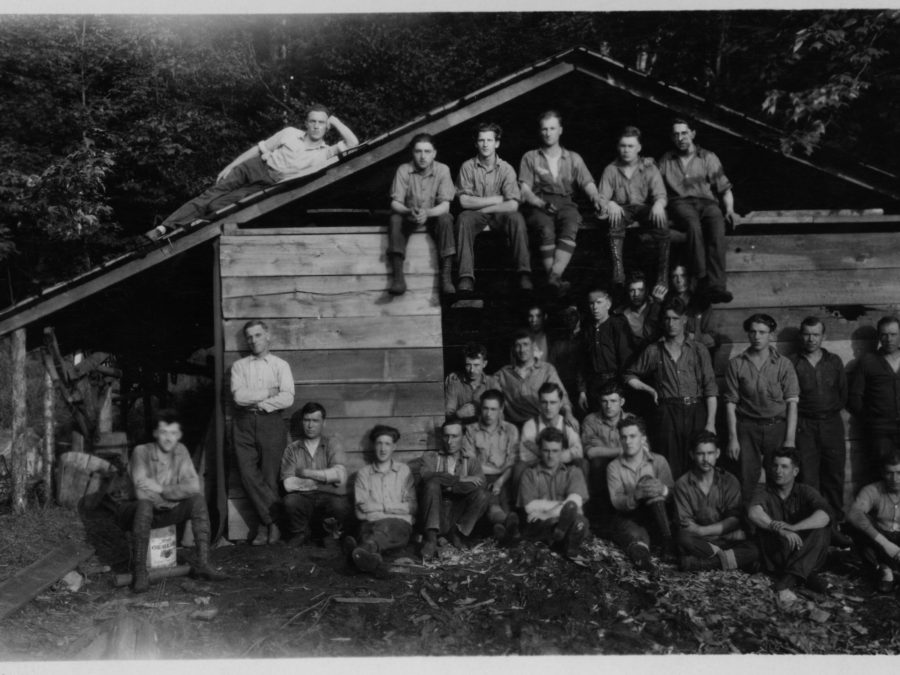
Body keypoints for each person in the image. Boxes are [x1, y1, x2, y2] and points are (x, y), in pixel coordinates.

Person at [160, 105, 358, 230]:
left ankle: (190, 226)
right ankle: (164, 227)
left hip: (268, 184)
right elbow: (258, 149)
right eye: (312, 121)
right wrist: (232, 165)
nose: (316, 126)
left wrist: (335, 120)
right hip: (255, 167)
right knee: (211, 193)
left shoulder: (326, 152)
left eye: (321, 123)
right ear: (306, 123)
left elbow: (353, 143)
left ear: (327, 127)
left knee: (216, 206)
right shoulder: (289, 132)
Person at [120, 410, 228, 593]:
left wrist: (162, 490)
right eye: (164, 432)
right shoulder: (141, 452)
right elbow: (141, 493)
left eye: (173, 433)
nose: (168, 438)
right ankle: (140, 571)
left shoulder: (181, 451)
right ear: (155, 433)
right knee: (145, 505)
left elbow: (193, 486)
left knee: (197, 501)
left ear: (179, 435)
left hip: (165, 509)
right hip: (132, 512)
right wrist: (174, 494)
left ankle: (203, 563)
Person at [624, 296, 718, 480]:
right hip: (667, 412)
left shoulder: (699, 350)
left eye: (675, 319)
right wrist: (649, 389)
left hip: (695, 410)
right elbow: (629, 375)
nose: (671, 323)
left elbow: (711, 389)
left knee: (698, 461)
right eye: (667, 319)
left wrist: (711, 422)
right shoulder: (653, 350)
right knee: (669, 463)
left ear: (684, 320)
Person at [518, 110, 603, 294]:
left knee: (571, 223)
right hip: (539, 203)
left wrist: (596, 197)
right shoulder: (530, 157)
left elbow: (587, 182)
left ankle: (553, 277)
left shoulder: (573, 158)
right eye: (544, 129)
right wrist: (541, 204)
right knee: (545, 229)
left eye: (552, 128)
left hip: (565, 202)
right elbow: (524, 190)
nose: (548, 133)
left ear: (560, 130)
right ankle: (555, 281)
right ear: (540, 132)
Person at [658, 118, 738, 304]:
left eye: (684, 133)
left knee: (717, 227)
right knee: (692, 225)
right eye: (676, 134)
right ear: (672, 137)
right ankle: (701, 277)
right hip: (680, 203)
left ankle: (717, 286)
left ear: (692, 133)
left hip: (707, 203)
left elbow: (724, 189)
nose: (680, 138)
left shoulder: (708, 157)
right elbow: (655, 187)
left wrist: (730, 210)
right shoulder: (666, 160)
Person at [230, 320, 295, 545]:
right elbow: (239, 397)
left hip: (271, 422)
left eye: (258, 335)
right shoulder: (239, 367)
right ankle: (273, 521)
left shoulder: (280, 365)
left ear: (268, 336)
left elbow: (287, 396)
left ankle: (263, 527)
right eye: (249, 337)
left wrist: (262, 403)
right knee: (248, 474)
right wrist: (269, 392)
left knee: (269, 475)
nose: (253, 340)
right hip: (243, 423)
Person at [789, 316, 851, 546]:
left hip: (831, 424)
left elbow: (843, 394)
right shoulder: (793, 362)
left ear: (823, 336)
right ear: (800, 335)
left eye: (816, 334)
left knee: (834, 475)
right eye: (807, 334)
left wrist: (828, 413)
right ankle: (814, 529)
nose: (811, 339)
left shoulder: (834, 361)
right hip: (805, 425)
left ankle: (834, 524)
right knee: (808, 477)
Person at [724, 313, 799, 501]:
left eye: (762, 332)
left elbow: (792, 402)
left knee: (779, 476)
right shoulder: (736, 364)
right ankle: (752, 525)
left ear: (771, 335)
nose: (757, 336)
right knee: (747, 477)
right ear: (748, 334)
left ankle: (778, 522)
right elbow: (730, 403)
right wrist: (733, 438)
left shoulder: (783, 364)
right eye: (753, 332)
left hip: (776, 428)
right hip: (747, 428)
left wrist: (789, 439)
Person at [455, 122, 533, 293]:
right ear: (476, 143)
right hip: (475, 216)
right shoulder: (467, 167)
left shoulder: (506, 169)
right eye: (481, 140)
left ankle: (524, 273)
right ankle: (466, 277)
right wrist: (497, 199)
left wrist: (485, 207)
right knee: (463, 219)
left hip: (499, 215)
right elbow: (464, 202)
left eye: (489, 140)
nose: (485, 144)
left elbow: (512, 204)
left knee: (517, 218)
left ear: (496, 143)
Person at [747, 448, 831, 593]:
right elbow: (753, 512)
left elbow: (824, 515)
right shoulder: (764, 491)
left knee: (821, 530)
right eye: (775, 466)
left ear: (795, 471)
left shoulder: (805, 491)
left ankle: (790, 577)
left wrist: (794, 527)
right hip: (778, 552)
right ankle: (802, 575)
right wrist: (780, 529)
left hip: (802, 548)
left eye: (784, 466)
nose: (778, 471)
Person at [674, 431, 759, 572]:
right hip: (703, 542)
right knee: (683, 538)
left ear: (717, 454)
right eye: (700, 454)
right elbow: (687, 526)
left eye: (710, 453)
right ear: (692, 455)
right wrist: (705, 533)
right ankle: (733, 560)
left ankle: (704, 564)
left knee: (754, 548)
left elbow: (734, 520)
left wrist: (701, 530)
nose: (706, 459)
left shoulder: (729, 480)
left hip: (727, 539)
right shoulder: (682, 484)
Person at [597, 126, 670, 287]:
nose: (626, 150)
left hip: (644, 207)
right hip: (623, 208)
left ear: (639, 148)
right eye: (623, 146)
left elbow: (660, 194)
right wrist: (610, 203)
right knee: (614, 222)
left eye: (631, 146)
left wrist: (659, 204)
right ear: (618, 147)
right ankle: (618, 274)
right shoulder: (611, 169)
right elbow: (601, 197)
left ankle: (663, 277)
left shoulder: (649, 167)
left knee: (662, 223)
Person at [387, 133, 457, 296]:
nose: (423, 156)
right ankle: (398, 278)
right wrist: (407, 210)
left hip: (433, 217)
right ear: (413, 153)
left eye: (427, 151)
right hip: (410, 215)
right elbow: (395, 202)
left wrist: (428, 213)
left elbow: (445, 205)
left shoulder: (443, 170)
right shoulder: (404, 170)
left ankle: (446, 278)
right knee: (395, 218)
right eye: (418, 151)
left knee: (446, 219)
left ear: (434, 153)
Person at [607, 416, 676, 572]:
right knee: (635, 539)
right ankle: (646, 566)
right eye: (624, 437)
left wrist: (662, 490)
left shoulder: (659, 461)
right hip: (630, 516)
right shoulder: (614, 466)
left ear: (643, 438)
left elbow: (673, 494)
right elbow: (616, 501)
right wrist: (636, 495)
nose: (628, 441)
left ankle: (668, 541)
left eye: (632, 436)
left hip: (658, 515)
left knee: (650, 483)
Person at [345, 425, 417, 574]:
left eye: (387, 444)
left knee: (386, 529)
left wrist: (377, 507)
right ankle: (370, 558)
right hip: (370, 524)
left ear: (394, 447)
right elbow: (360, 514)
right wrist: (397, 509)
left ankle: (361, 551)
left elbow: (412, 507)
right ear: (373, 445)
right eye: (379, 443)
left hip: (398, 526)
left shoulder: (403, 471)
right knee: (371, 531)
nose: (383, 449)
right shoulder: (364, 474)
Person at [280, 402, 351, 547]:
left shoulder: (333, 444)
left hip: (328, 497)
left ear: (323, 423)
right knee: (290, 501)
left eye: (315, 421)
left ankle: (331, 534)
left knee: (340, 505)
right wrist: (324, 478)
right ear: (302, 422)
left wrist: (307, 473)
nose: (310, 425)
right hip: (304, 498)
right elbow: (288, 484)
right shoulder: (292, 449)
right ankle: (300, 532)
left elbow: (340, 475)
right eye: (307, 420)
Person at [418, 418, 490, 559]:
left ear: (463, 437)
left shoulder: (471, 461)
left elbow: (481, 483)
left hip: (457, 513)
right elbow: (426, 476)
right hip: (435, 511)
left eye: (455, 436)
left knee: (482, 495)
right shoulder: (431, 457)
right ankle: (431, 539)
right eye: (446, 436)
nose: (449, 441)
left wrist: (450, 487)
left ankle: (458, 534)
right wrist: (459, 479)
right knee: (432, 485)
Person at [518, 427, 590, 558]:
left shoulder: (573, 472)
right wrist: (563, 508)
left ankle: (567, 547)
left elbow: (574, 502)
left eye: (555, 451)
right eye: (546, 450)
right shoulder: (529, 474)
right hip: (541, 526)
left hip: (554, 519)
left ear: (562, 451)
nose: (550, 456)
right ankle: (560, 540)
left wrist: (547, 512)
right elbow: (530, 507)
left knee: (581, 522)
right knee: (550, 522)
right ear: (540, 450)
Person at [463, 390, 521, 542]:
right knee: (491, 496)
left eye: (493, 409)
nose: (489, 414)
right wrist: (491, 479)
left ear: (501, 409)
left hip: (504, 477)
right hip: (480, 477)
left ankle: (500, 528)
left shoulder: (510, 430)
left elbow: (512, 461)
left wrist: (500, 482)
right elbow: (471, 462)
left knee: (500, 495)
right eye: (485, 408)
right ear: (480, 408)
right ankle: (506, 524)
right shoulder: (471, 430)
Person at [848, 315, 900, 484]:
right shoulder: (868, 361)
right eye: (884, 335)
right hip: (880, 430)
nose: (889, 339)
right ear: (879, 337)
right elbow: (855, 397)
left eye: (893, 334)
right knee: (881, 474)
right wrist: (871, 420)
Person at [495, 329, 575, 428]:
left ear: (533, 346)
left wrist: (568, 413)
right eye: (518, 345)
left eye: (525, 344)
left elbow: (561, 395)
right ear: (513, 349)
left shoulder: (546, 369)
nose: (522, 350)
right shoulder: (504, 373)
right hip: (513, 425)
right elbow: (487, 390)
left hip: (540, 424)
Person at [845, 451, 900, 593]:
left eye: (899, 473)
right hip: (881, 540)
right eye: (889, 473)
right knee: (855, 525)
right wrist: (885, 543)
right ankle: (885, 570)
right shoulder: (873, 489)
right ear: (882, 472)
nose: (894, 479)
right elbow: (854, 514)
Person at [576, 288, 633, 414]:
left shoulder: (617, 325)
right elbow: (582, 364)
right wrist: (582, 391)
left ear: (608, 304)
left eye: (599, 302)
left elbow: (626, 360)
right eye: (591, 303)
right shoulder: (587, 330)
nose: (595, 307)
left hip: (615, 383)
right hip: (593, 386)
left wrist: (620, 389)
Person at [517, 382, 584, 487]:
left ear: (561, 403)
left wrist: (543, 453)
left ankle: (581, 501)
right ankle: (520, 503)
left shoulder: (568, 424)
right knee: (519, 467)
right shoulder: (530, 425)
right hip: (538, 470)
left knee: (582, 464)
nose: (548, 407)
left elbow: (578, 451)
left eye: (553, 402)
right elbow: (525, 457)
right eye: (544, 402)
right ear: (539, 404)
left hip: (564, 468)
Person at [580, 382, 626, 531]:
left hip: (625, 466)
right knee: (597, 463)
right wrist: (620, 450)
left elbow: (641, 450)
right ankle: (599, 518)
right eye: (604, 401)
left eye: (613, 401)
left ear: (621, 402)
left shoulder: (631, 420)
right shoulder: (591, 420)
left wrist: (603, 448)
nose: (608, 406)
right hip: (600, 468)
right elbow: (591, 452)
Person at [668, 263, 718, 351]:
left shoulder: (702, 303)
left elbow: (712, 338)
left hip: (695, 355)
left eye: (683, 276)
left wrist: (693, 337)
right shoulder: (667, 304)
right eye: (674, 276)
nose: (679, 280)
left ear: (688, 278)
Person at [444, 343, 498, 421]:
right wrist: (458, 414)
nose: (472, 370)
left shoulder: (492, 383)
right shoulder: (455, 383)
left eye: (476, 365)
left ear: (484, 364)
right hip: (461, 429)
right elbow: (448, 414)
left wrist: (479, 411)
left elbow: (499, 413)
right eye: (468, 365)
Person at [613, 271, 661, 352]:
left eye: (640, 290)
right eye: (632, 290)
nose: (636, 294)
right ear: (628, 292)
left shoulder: (655, 309)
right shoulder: (620, 314)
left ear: (646, 291)